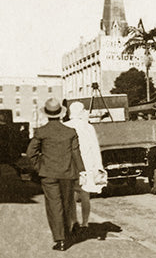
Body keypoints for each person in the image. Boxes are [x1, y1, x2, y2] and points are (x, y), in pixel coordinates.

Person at [27, 98, 84, 251]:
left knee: (54, 206)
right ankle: (66, 234)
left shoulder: (41, 131)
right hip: (67, 174)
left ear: (47, 114)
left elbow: (30, 153)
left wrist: (39, 168)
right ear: (60, 114)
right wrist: (82, 171)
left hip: (49, 175)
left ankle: (61, 240)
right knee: (66, 205)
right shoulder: (70, 132)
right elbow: (76, 153)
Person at [64, 101, 105, 240]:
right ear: (81, 112)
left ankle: (73, 222)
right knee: (85, 195)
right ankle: (85, 223)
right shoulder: (88, 127)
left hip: (69, 166)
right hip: (86, 166)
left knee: (70, 196)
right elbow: (95, 148)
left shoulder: (65, 126)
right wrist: (98, 167)